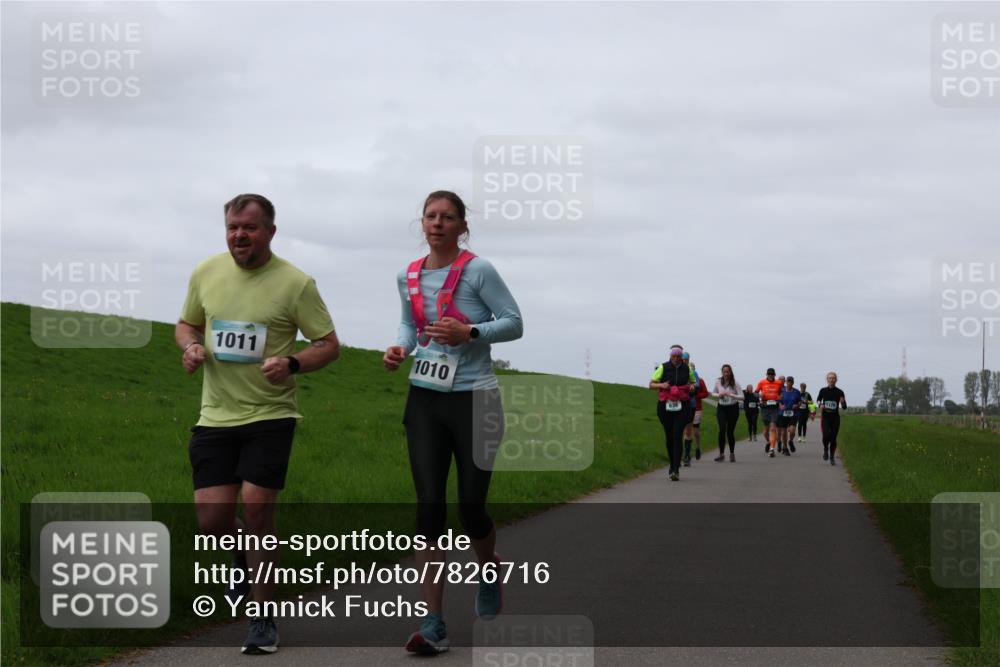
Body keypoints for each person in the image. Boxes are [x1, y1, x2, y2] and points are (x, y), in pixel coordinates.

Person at [176, 193, 340, 654]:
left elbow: (328, 345)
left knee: (257, 509)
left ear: (269, 230)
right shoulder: (205, 272)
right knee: (212, 520)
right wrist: (189, 346)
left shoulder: (296, 283)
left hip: (271, 414)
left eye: (248, 227)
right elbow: (186, 324)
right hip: (215, 414)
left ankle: (262, 618)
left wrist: (292, 362)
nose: (239, 235)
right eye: (232, 226)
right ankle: (240, 560)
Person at [383, 190, 523, 655]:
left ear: (462, 225)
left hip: (475, 399)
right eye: (430, 216)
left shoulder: (479, 270)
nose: (437, 223)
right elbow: (409, 325)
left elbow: (514, 322)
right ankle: (434, 623)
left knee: (470, 508)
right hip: (425, 398)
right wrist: (400, 348)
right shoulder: (408, 275)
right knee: (428, 509)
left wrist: (472, 331)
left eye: (447, 217)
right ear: (421, 223)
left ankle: (489, 570)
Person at [650, 345, 695, 481]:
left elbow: (693, 382)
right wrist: (662, 385)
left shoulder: (687, 369)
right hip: (665, 406)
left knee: (677, 435)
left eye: (678, 356)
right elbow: (651, 384)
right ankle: (672, 464)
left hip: (682, 406)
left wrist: (692, 386)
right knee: (669, 437)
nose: (676, 359)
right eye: (673, 356)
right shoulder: (663, 367)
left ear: (682, 358)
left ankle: (675, 469)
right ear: (670, 356)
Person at [682, 355, 709, 465]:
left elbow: (705, 393)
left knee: (695, 430)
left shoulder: (699, 380)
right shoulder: (680, 376)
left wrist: (696, 395)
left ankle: (697, 446)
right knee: (686, 430)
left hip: (696, 407)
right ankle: (686, 455)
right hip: (684, 405)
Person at [816, 372, 847, 465]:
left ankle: (832, 456)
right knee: (826, 435)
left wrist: (843, 402)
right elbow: (818, 400)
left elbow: (844, 407)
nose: (831, 379)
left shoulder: (840, 392)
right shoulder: (823, 390)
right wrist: (820, 404)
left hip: (835, 418)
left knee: (833, 438)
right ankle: (825, 448)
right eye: (830, 378)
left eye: (833, 378)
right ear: (827, 379)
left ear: (836, 380)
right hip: (825, 417)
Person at [713, 364, 742, 462]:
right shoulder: (718, 382)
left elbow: (742, 397)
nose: (726, 373)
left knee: (730, 431)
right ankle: (721, 454)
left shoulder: (735, 383)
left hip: (733, 408)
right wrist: (719, 395)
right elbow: (713, 393)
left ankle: (732, 453)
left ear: (730, 372)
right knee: (722, 429)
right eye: (724, 372)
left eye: (727, 372)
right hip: (721, 408)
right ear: (722, 372)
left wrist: (731, 395)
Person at [756, 368, 783, 457]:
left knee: (772, 428)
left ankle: (772, 449)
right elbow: (755, 393)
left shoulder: (778, 383)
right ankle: (769, 441)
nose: (771, 376)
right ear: (767, 375)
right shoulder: (762, 382)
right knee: (765, 431)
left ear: (774, 375)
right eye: (769, 374)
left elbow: (782, 393)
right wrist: (759, 397)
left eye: (772, 374)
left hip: (774, 408)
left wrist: (780, 398)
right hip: (765, 408)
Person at [777, 376, 802, 456]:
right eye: (788, 381)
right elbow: (779, 401)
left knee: (792, 431)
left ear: (793, 383)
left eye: (791, 382)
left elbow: (800, 402)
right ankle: (785, 448)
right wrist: (780, 405)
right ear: (786, 382)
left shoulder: (796, 392)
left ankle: (790, 441)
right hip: (783, 413)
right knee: (783, 432)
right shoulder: (782, 391)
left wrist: (797, 405)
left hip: (793, 414)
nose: (789, 383)